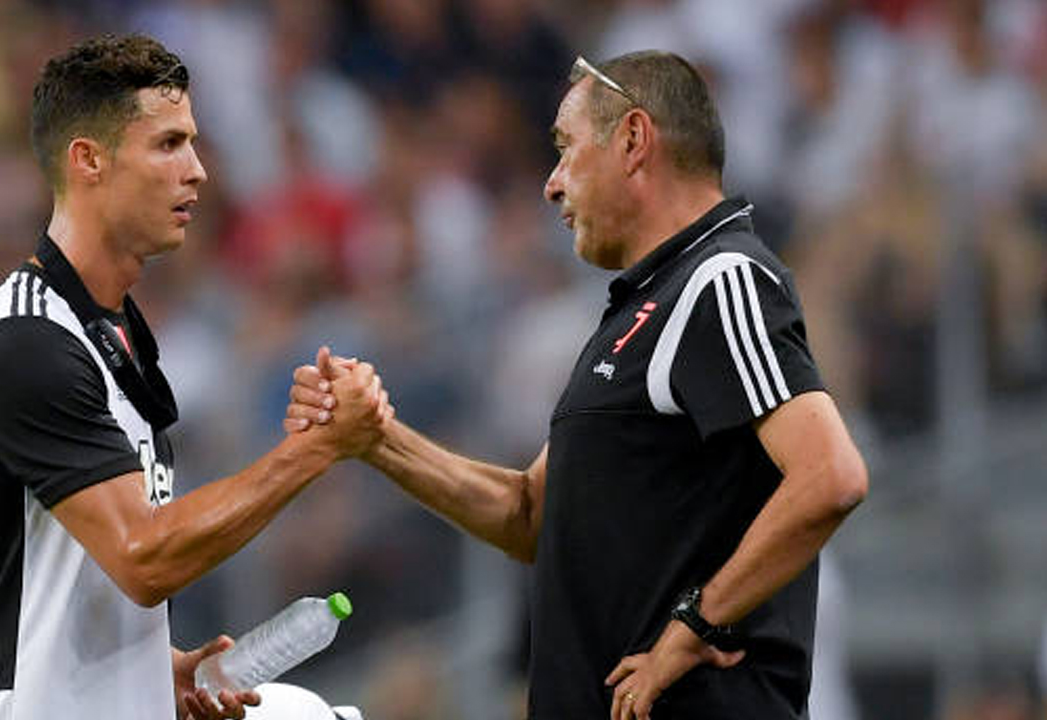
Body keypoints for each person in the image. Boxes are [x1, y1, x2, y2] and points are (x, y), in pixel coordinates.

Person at [287, 51, 868, 719]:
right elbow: (531, 516)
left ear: (633, 140)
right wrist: (377, 440)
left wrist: (693, 627)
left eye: (565, 148)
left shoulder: (721, 277)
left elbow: (830, 474)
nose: (552, 184)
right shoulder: (637, 310)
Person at [0, 34, 388, 720]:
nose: (198, 171)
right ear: (89, 160)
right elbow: (143, 557)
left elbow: (75, 567)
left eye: (193, 143)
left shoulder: (111, 335)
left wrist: (151, 668)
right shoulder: (23, 340)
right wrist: (314, 448)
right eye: (169, 145)